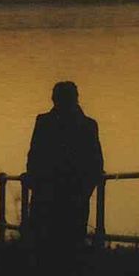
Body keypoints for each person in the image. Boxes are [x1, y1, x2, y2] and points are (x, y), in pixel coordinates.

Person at [25, 81, 103, 265]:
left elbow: (34, 155)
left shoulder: (43, 122)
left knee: (45, 247)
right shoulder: (88, 125)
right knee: (71, 247)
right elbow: (96, 163)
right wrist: (85, 192)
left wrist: (35, 182)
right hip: (74, 196)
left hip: (47, 194)